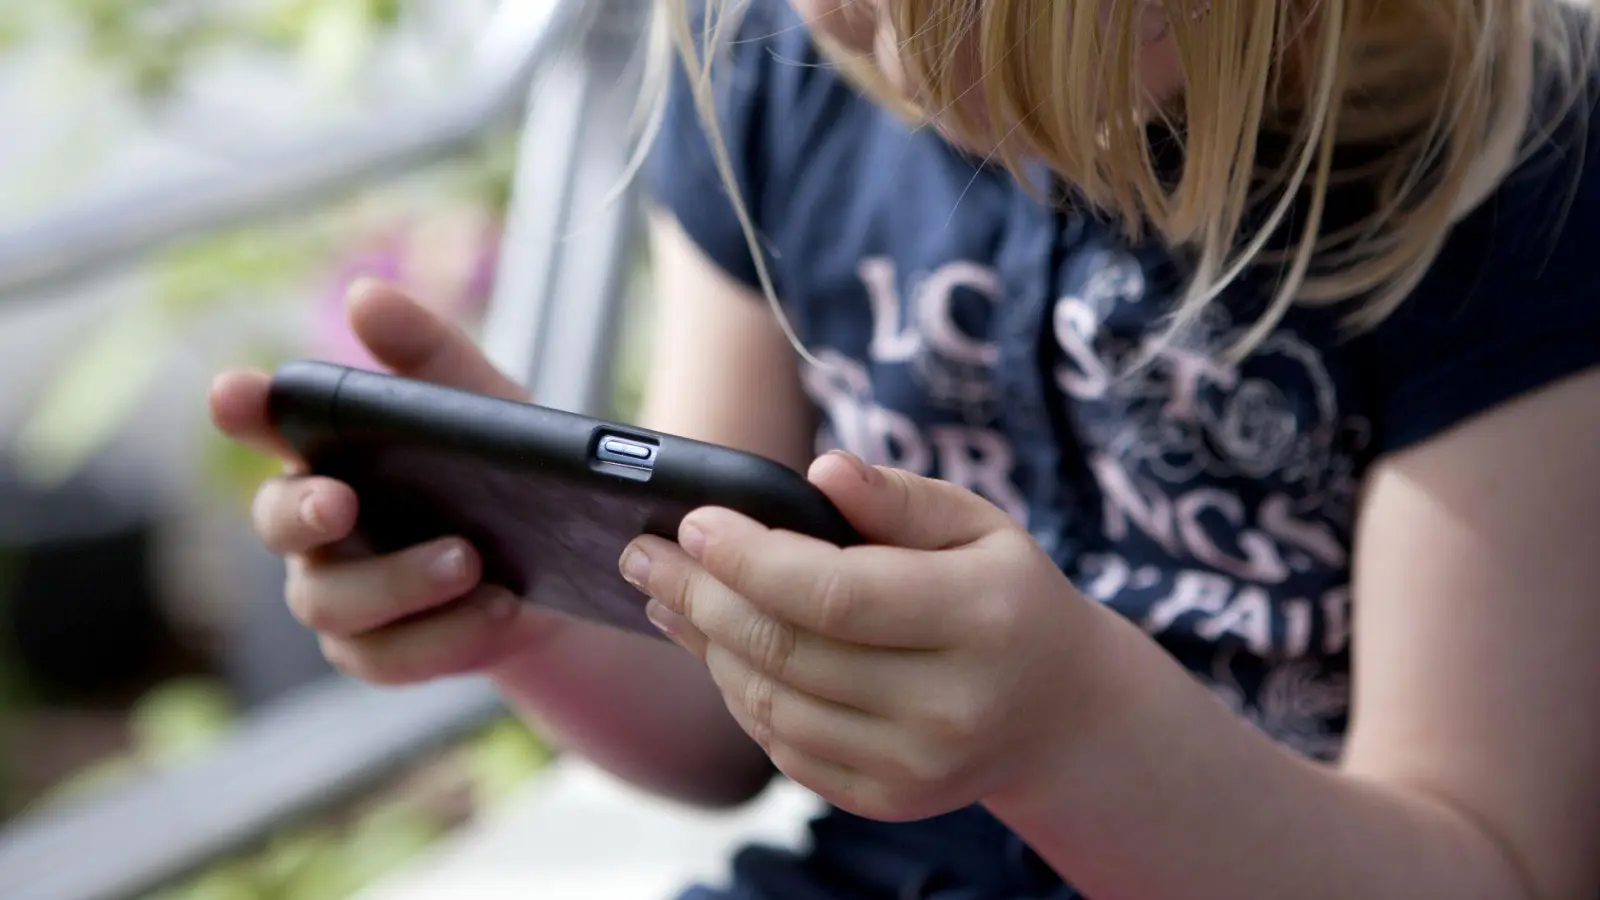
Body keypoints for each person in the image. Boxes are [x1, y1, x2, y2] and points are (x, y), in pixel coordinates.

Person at [211, 0, 1600, 896]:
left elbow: (1490, 866)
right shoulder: (776, 76)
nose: (842, 14)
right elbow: (717, 731)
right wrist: (514, 585)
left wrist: (1079, 735)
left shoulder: (1512, 178)